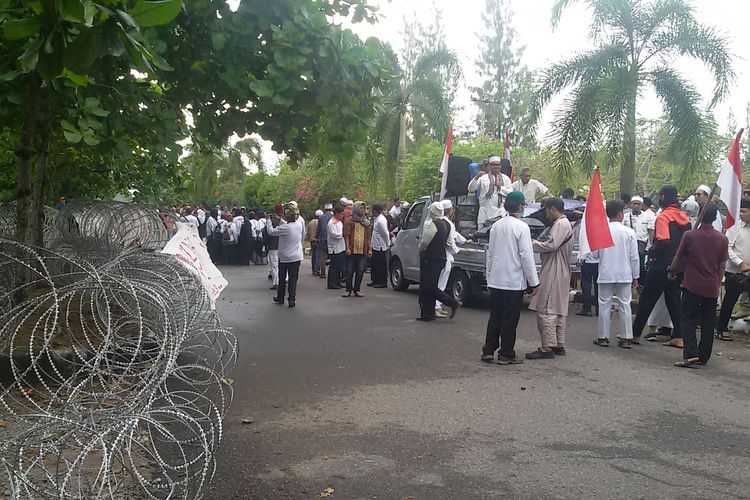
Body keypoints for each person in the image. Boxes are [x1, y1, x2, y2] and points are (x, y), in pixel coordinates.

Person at [481, 191, 539, 364]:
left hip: (496, 279)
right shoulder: (522, 227)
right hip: (513, 281)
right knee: (509, 318)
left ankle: (488, 350)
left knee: (495, 316)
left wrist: (489, 277)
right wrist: (534, 281)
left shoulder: (497, 226)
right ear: (519, 206)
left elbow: (490, 254)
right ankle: (506, 353)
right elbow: (526, 256)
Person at [668, 204, 728, 367]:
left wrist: (671, 271)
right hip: (711, 286)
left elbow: (678, 257)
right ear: (716, 218)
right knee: (708, 322)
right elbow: (722, 264)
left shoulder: (690, 235)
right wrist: (718, 282)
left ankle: (691, 353)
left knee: (688, 318)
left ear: (700, 216)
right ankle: (703, 356)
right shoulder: (722, 238)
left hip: (691, 284)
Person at [631, 185, 691, 347]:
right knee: (674, 301)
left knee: (647, 299)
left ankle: (634, 334)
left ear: (663, 197)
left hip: (662, 265)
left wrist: (652, 253)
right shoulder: (685, 218)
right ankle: (679, 336)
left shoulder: (664, 217)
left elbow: (663, 241)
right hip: (679, 265)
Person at [587, 200, 640, 348]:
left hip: (606, 271)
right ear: (620, 214)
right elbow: (634, 257)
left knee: (604, 304)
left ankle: (602, 336)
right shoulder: (629, 232)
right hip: (624, 272)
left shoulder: (601, 231)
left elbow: (594, 255)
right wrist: (636, 275)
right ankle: (626, 337)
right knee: (625, 304)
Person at [526, 198, 574, 359]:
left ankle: (547, 347)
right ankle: (559, 343)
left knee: (547, 307)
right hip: (562, 269)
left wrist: (531, 244)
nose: (546, 214)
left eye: (546, 210)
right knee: (559, 308)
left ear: (552, 209)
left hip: (554, 268)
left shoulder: (560, 224)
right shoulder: (565, 223)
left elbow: (552, 245)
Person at [417, 202, 460, 321]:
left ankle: (452, 303)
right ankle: (428, 313)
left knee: (429, 287)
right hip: (441, 258)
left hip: (431, 259)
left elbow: (425, 242)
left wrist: (420, 250)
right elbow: (450, 243)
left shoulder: (434, 224)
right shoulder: (447, 224)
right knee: (431, 286)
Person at [715, 199, 750, 341]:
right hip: (735, 272)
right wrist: (740, 263)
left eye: (744, 211)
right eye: (740, 211)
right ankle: (722, 328)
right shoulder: (735, 228)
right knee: (730, 300)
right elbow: (727, 247)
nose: (741, 214)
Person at [266, 203, 304, 308]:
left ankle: (280, 297)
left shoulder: (285, 228)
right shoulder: (298, 225)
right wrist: (280, 219)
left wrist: (269, 221)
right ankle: (292, 299)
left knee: (282, 278)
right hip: (296, 256)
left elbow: (271, 232)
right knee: (293, 279)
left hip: (284, 258)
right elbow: (284, 224)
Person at [435, 199, 467, 317]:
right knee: (441, 284)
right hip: (445, 257)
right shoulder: (448, 223)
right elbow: (451, 241)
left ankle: (438, 305)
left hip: (439, 257)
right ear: (450, 210)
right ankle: (437, 306)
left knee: (439, 282)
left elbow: (455, 235)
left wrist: (464, 241)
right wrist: (458, 250)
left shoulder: (440, 222)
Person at [467, 155, 512, 226]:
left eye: (498, 165)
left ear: (500, 166)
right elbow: (471, 189)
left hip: (501, 212)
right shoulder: (483, 178)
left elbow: (510, 194)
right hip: (485, 212)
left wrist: (500, 187)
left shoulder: (506, 178)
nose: (495, 167)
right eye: (493, 165)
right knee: (483, 236)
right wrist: (476, 177)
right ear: (490, 166)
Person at [623, 196, 656, 284]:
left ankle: (640, 283)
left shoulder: (649, 217)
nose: (636, 206)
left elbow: (651, 231)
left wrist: (650, 245)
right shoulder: (625, 216)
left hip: (641, 244)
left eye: (638, 204)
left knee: (640, 264)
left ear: (642, 205)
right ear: (630, 204)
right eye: (634, 203)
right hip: (627, 244)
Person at [342, 201, 372, 298]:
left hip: (362, 250)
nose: (362, 210)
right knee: (349, 270)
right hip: (351, 250)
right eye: (361, 208)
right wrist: (347, 248)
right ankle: (348, 290)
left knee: (360, 271)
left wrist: (369, 249)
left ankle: (357, 289)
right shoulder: (349, 221)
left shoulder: (366, 223)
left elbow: (368, 238)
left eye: (364, 208)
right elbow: (346, 236)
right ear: (356, 209)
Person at [369, 203, 390, 288]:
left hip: (380, 245)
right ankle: (375, 280)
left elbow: (385, 233)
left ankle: (382, 281)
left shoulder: (381, 220)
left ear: (375, 211)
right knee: (374, 264)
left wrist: (387, 243)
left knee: (380, 264)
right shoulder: (376, 219)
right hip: (375, 245)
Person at [327, 206, 346, 290]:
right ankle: (331, 283)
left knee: (339, 266)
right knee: (334, 267)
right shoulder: (332, 222)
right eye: (341, 214)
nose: (342, 216)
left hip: (341, 247)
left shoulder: (339, 222)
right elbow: (334, 234)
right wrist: (342, 234)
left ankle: (337, 282)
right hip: (334, 247)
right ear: (337, 213)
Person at [264, 207, 281, 289]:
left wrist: (268, 220)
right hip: (282, 246)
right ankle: (284, 279)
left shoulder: (271, 221)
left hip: (273, 246)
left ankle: (276, 282)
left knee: (274, 265)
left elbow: (268, 232)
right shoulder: (284, 221)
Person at [317, 204, 333, 279]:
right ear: (331, 209)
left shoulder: (321, 217)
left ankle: (323, 273)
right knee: (333, 256)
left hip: (323, 238)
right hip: (332, 239)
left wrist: (317, 237)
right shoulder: (333, 217)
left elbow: (319, 229)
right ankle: (333, 273)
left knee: (323, 257)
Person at [307, 211, 322, 276]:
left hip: (311, 240)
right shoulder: (319, 222)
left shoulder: (310, 222)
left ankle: (313, 269)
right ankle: (316, 270)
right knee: (318, 256)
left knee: (313, 255)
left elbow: (307, 232)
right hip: (317, 240)